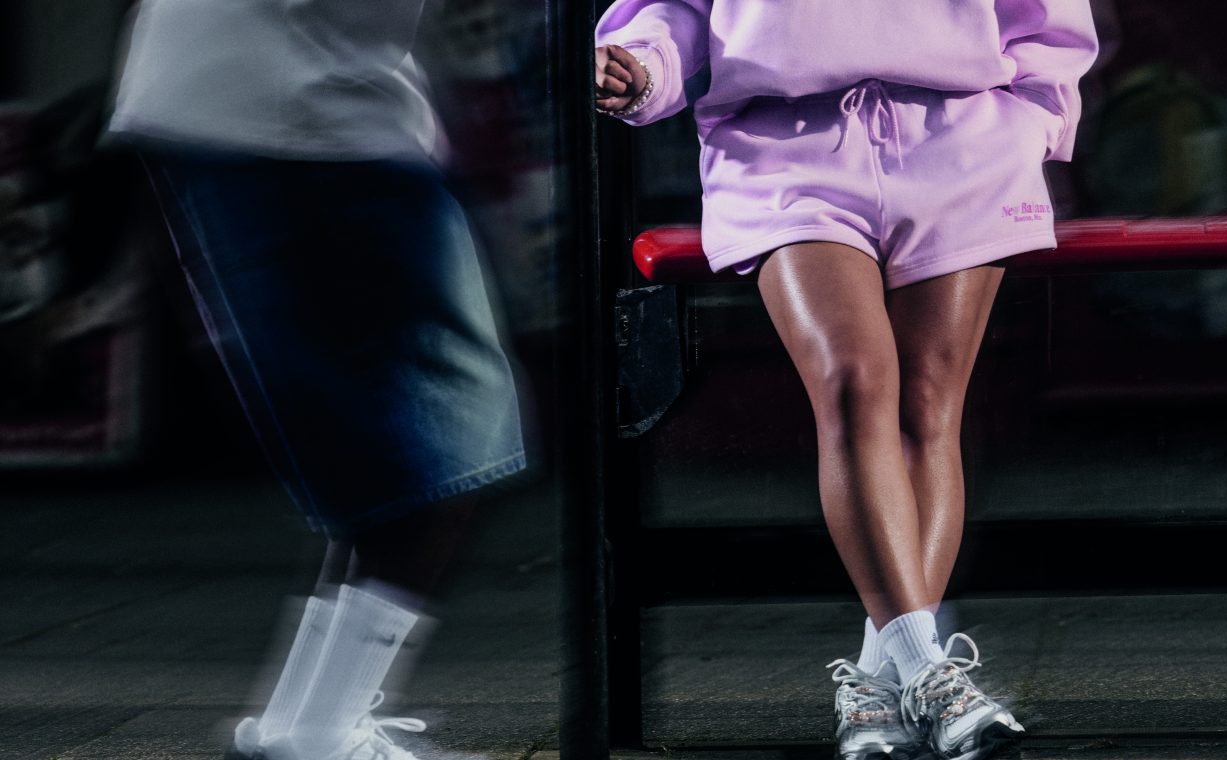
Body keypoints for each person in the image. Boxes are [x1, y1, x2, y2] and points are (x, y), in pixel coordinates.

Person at [594, 2, 1095, 757]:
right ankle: (930, 673)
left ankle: (881, 687)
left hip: (963, 137)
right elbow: (677, 11)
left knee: (927, 408)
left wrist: (1035, 119)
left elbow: (1047, 19)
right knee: (853, 380)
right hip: (780, 148)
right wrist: (644, 65)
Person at [108, 2, 527, 758]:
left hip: (242, 101)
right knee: (447, 444)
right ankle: (321, 735)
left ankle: (304, 727)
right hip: (297, 118)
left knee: (391, 457)